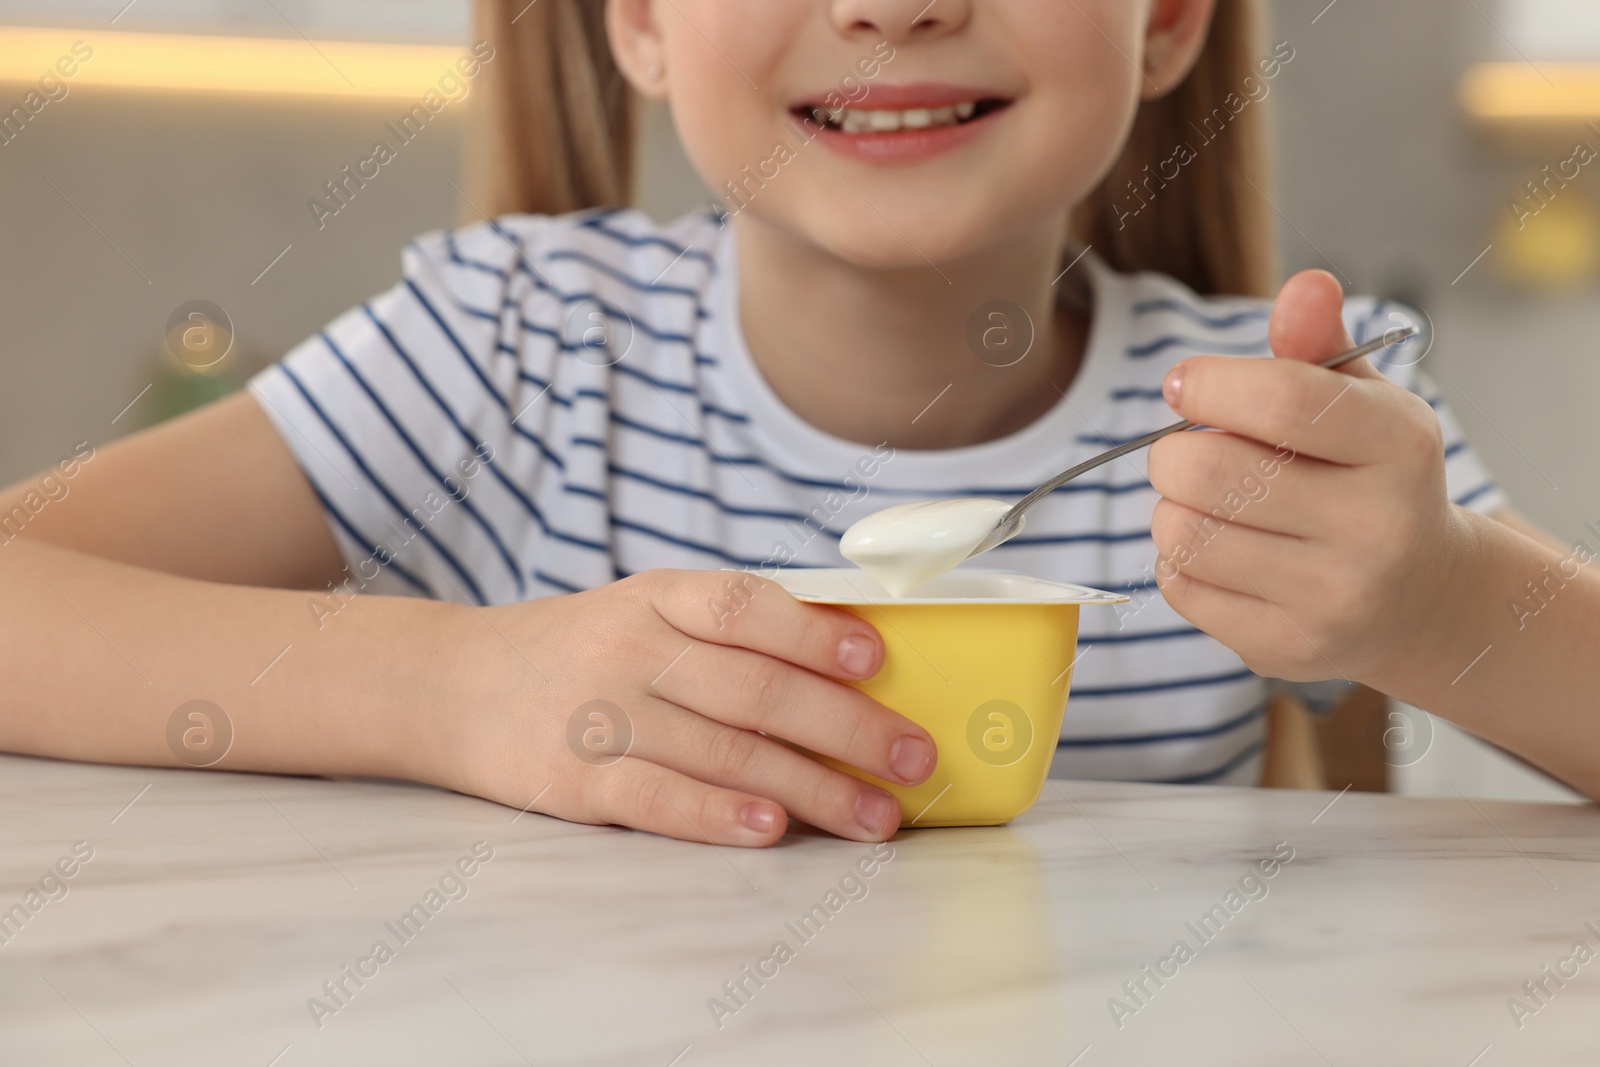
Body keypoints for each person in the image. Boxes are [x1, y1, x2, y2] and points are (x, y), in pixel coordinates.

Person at [2, 0, 1593, 848]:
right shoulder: (518, 347)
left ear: (1167, 17)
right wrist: (458, 689)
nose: (892, 6)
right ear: (635, 17)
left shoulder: (1288, 412)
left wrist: (1439, 600)